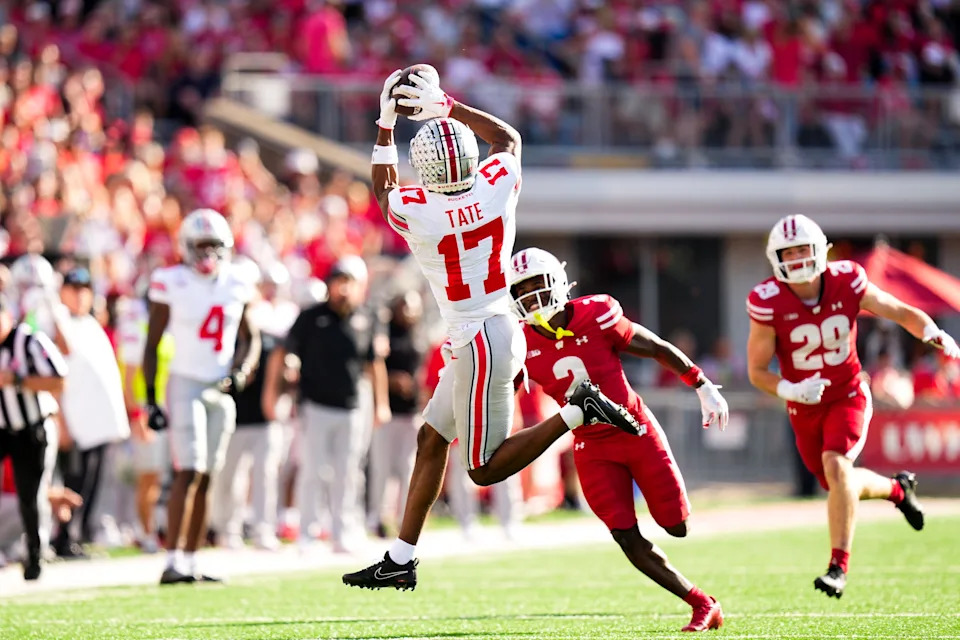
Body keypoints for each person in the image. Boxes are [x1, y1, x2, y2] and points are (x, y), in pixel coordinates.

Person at [343, 68, 642, 590]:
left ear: (428, 170)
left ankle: (578, 409)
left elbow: (383, 187)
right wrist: (447, 105)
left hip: (479, 339)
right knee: (431, 439)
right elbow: (508, 138)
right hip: (493, 330)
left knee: (482, 468)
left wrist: (387, 124)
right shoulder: (497, 187)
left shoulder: (420, 211)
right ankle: (400, 557)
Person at [508, 248, 728, 633]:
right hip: (590, 446)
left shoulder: (597, 313)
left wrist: (702, 384)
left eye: (536, 285)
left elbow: (655, 346)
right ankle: (701, 602)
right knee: (625, 536)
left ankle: (694, 579)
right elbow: (498, 395)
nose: (530, 297)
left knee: (677, 526)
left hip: (635, 431)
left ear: (558, 283)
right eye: (520, 290)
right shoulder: (519, 344)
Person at [745, 214, 960, 599]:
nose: (795, 259)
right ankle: (897, 489)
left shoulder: (847, 279)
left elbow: (899, 311)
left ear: (820, 250)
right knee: (838, 483)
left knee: (836, 466)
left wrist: (931, 330)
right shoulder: (766, 300)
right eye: (787, 252)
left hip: (846, 393)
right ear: (774, 257)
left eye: (801, 250)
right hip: (804, 406)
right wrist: (792, 390)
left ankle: (837, 567)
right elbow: (757, 371)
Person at [144, 208, 261, 585]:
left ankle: (192, 560)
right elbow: (153, 342)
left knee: (208, 475)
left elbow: (251, 338)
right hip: (185, 382)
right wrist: (149, 396)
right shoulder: (171, 281)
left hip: (219, 387)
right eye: (201, 246)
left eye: (214, 246)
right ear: (186, 248)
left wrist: (241, 372)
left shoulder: (236, 281)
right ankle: (173, 559)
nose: (208, 254)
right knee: (188, 470)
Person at [262, 255, 390, 553]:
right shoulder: (311, 317)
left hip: (353, 405)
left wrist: (381, 403)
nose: (344, 289)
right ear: (330, 284)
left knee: (348, 472)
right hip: (316, 405)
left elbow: (374, 364)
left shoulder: (365, 318)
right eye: (339, 281)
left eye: (350, 283)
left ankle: (341, 532)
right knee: (313, 470)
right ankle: (307, 533)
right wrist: (273, 392)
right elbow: (283, 352)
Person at [0, 293, 67, 580]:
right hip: (2, 428)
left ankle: (35, 555)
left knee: (30, 494)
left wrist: (16, 380)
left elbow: (59, 379)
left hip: (32, 428)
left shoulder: (30, 341)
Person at [367, 291, 427, 538]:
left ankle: (406, 518)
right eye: (404, 307)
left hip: (411, 411)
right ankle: (377, 518)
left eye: (413, 308)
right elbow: (373, 369)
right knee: (382, 467)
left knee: (408, 467)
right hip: (388, 411)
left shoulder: (418, 336)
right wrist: (391, 382)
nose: (409, 312)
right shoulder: (384, 335)